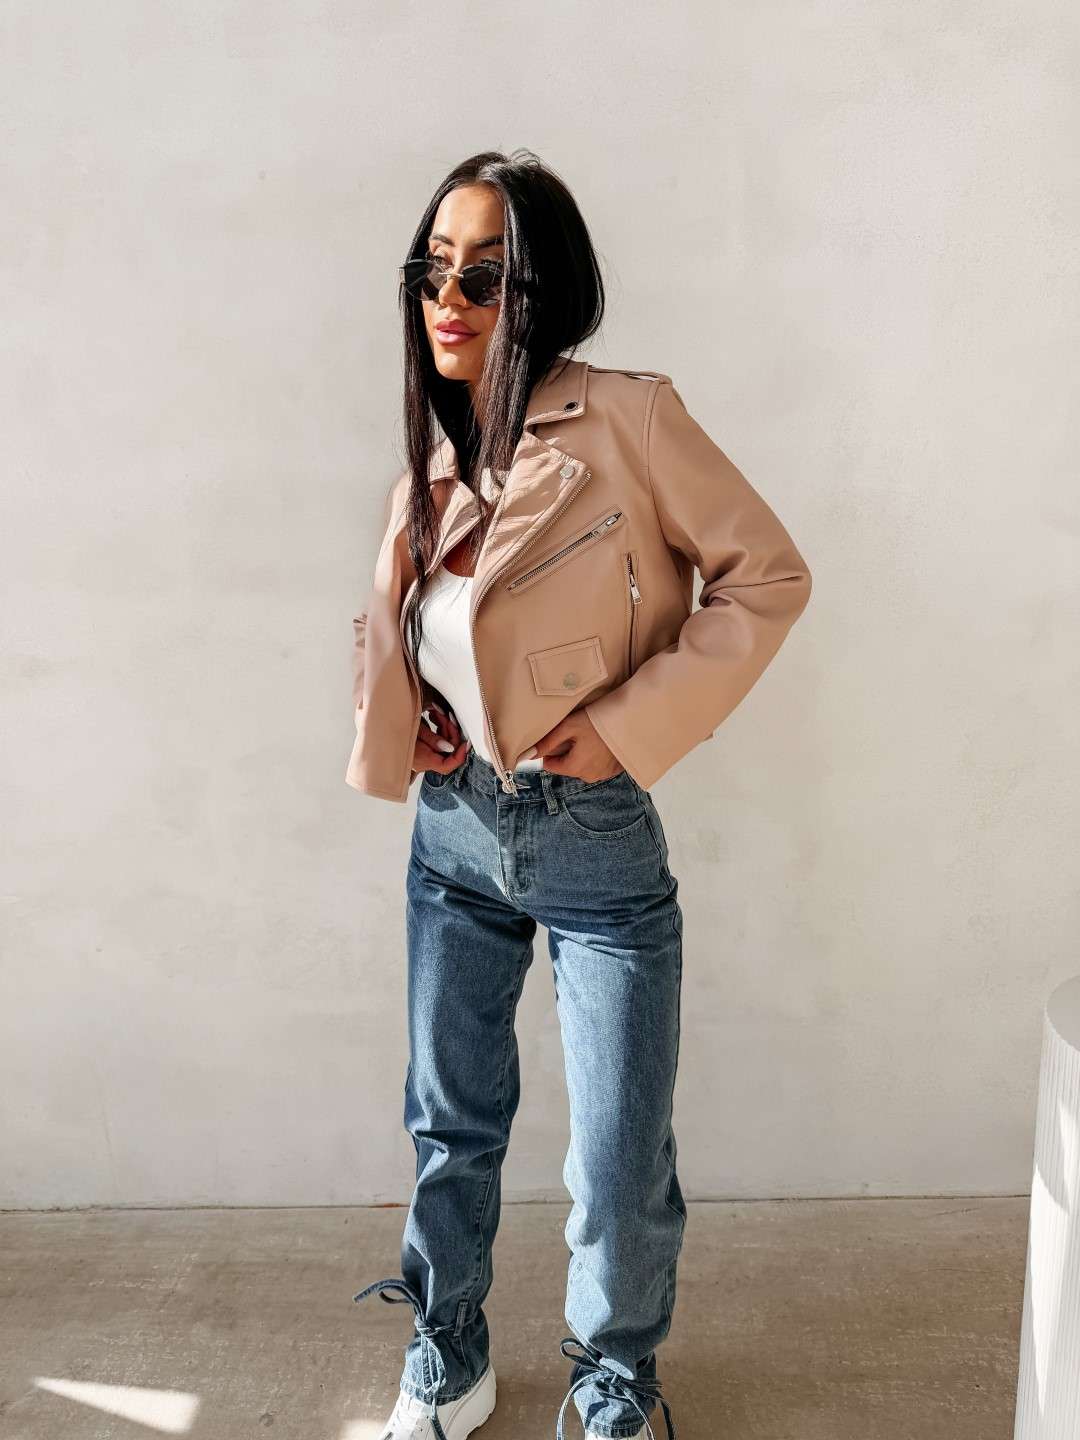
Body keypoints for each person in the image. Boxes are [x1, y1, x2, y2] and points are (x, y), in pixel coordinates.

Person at [348, 149, 813, 1440]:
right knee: (449, 1126)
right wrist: (413, 712)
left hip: (591, 837)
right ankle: (448, 1351)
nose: (449, 301)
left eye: (483, 277)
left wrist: (624, 728)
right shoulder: (437, 445)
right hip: (455, 831)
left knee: (614, 1155)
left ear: (541, 290)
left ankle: (615, 1377)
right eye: (433, 272)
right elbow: (409, 622)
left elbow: (769, 575)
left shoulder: (629, 422)